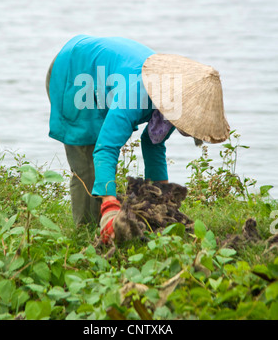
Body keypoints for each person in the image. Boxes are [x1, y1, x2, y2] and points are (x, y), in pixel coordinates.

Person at [46, 35, 230, 243]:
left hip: (103, 72)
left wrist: (160, 200)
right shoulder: (136, 94)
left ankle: (103, 225)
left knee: (100, 156)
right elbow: (106, 148)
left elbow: (153, 143)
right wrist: (109, 205)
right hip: (74, 71)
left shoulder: (174, 95)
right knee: (87, 161)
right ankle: (85, 235)